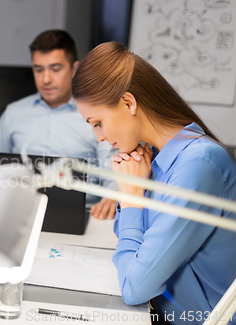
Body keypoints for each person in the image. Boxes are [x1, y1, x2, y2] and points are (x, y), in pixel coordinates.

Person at [72, 41, 236, 325]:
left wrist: (132, 198)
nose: (99, 137)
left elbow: (135, 286)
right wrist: (131, 194)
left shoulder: (198, 164)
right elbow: (130, 237)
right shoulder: (155, 157)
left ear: (128, 103)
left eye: (97, 122)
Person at [0, 29, 117, 219]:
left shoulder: (94, 115)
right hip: (21, 212)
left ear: (74, 69)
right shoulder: (13, 113)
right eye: (38, 69)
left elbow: (112, 172)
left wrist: (114, 196)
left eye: (55, 69)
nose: (46, 79)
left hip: (84, 212)